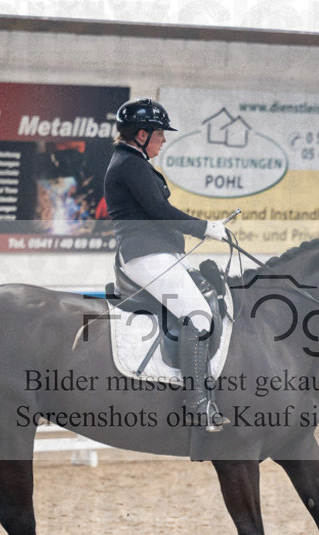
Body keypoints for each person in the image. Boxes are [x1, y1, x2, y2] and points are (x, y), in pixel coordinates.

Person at [104, 98, 230, 432]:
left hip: (155, 253)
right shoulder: (130, 165)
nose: (164, 139)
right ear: (142, 134)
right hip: (146, 255)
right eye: (160, 133)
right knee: (199, 318)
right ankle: (198, 403)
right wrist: (205, 227)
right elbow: (161, 213)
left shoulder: (133, 162)